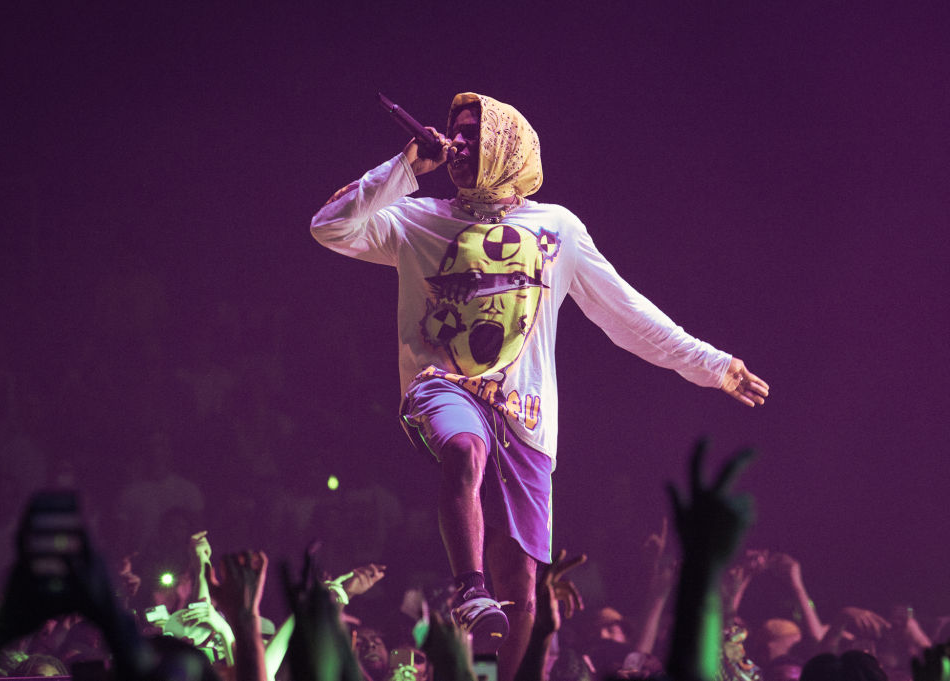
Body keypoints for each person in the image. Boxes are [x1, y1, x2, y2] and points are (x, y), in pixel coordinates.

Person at [310, 92, 769, 679]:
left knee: (524, 591)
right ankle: (467, 585)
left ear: (506, 143)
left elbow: (625, 314)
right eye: (455, 132)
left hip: (525, 414)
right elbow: (329, 226)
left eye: (473, 133)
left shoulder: (557, 228)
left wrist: (711, 365)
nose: (458, 143)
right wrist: (404, 169)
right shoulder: (415, 218)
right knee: (462, 449)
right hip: (443, 385)